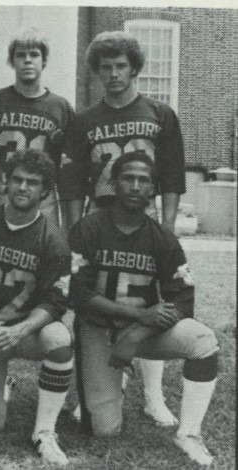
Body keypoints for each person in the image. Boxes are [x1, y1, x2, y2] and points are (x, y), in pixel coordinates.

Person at [59, 31, 186, 428]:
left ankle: (153, 396)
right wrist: (74, 228)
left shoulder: (159, 114)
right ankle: (92, 386)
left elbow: (172, 174)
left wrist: (167, 227)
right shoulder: (85, 120)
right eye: (105, 67)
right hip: (100, 217)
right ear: (96, 72)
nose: (113, 74)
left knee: (149, 299)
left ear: (134, 69)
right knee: (95, 299)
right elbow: (73, 183)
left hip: (144, 218)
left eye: (120, 66)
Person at [69, 151, 219, 466]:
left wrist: (136, 334)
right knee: (103, 430)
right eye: (128, 178)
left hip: (144, 332)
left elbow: (183, 299)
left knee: (204, 340)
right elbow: (78, 295)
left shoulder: (162, 237)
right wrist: (139, 315)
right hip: (99, 328)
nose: (136, 186)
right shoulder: (88, 228)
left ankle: (189, 434)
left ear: (153, 188)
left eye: (143, 180)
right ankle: (108, 382)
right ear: (113, 183)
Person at [0, 149, 72, 465]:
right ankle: (0, 383)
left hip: (24, 331)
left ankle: (45, 431)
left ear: (46, 191)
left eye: (32, 182)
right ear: (5, 181)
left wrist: (19, 330)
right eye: (17, 179)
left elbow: (55, 301)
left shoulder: (53, 240)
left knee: (59, 338)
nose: (23, 187)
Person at [0, 28, 74, 225]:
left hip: (43, 198)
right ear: (12, 61)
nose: (28, 60)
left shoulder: (60, 107)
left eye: (34, 54)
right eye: (21, 55)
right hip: (4, 192)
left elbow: (68, 166)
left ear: (44, 60)